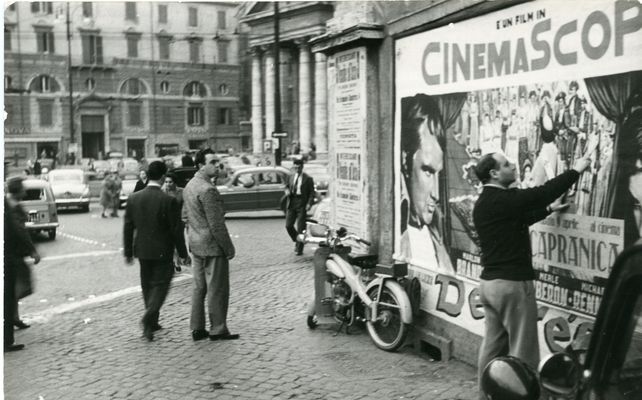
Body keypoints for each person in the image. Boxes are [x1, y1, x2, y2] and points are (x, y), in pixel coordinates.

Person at [472, 152, 590, 392]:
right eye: (506, 164)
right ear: (494, 173)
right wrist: (576, 170)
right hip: (513, 286)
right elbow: (544, 191)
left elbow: (518, 220)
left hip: (489, 285)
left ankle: (485, 395)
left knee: (493, 348)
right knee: (523, 355)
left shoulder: (485, 202)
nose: (513, 165)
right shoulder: (506, 199)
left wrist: (548, 209)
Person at [123, 161, 189, 341]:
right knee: (161, 285)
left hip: (142, 250)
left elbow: (128, 227)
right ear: (162, 177)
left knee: (147, 284)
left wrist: (128, 252)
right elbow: (176, 230)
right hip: (163, 250)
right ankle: (149, 316)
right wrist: (183, 253)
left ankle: (151, 321)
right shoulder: (169, 200)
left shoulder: (134, 198)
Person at [182, 150, 238, 341]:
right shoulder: (208, 190)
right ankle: (218, 328)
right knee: (217, 288)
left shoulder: (189, 186)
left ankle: (197, 327)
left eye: (217, 161)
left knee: (199, 287)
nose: (217, 165)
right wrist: (229, 248)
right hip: (212, 246)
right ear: (200, 165)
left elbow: (185, 217)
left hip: (196, 244)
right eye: (212, 162)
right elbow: (216, 224)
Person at [398, 94, 455, 274]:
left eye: (439, 174)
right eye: (428, 172)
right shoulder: (398, 236)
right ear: (405, 161)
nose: (436, 195)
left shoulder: (436, 237)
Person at [4, 176, 41, 352]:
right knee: (13, 292)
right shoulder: (9, 207)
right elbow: (19, 231)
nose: (25, 192)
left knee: (13, 291)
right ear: (17, 190)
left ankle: (13, 317)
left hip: (13, 255)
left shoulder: (11, 205)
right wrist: (33, 250)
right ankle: (6, 339)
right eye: (23, 189)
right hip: (10, 257)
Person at [284, 158, 314, 255]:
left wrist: (309, 203)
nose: (297, 169)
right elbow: (286, 186)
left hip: (302, 203)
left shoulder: (308, 179)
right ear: (294, 167)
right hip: (292, 202)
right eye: (296, 167)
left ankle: (299, 249)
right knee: (288, 225)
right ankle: (297, 239)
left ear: (302, 167)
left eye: (299, 167)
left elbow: (312, 193)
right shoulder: (290, 177)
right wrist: (287, 191)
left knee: (301, 227)